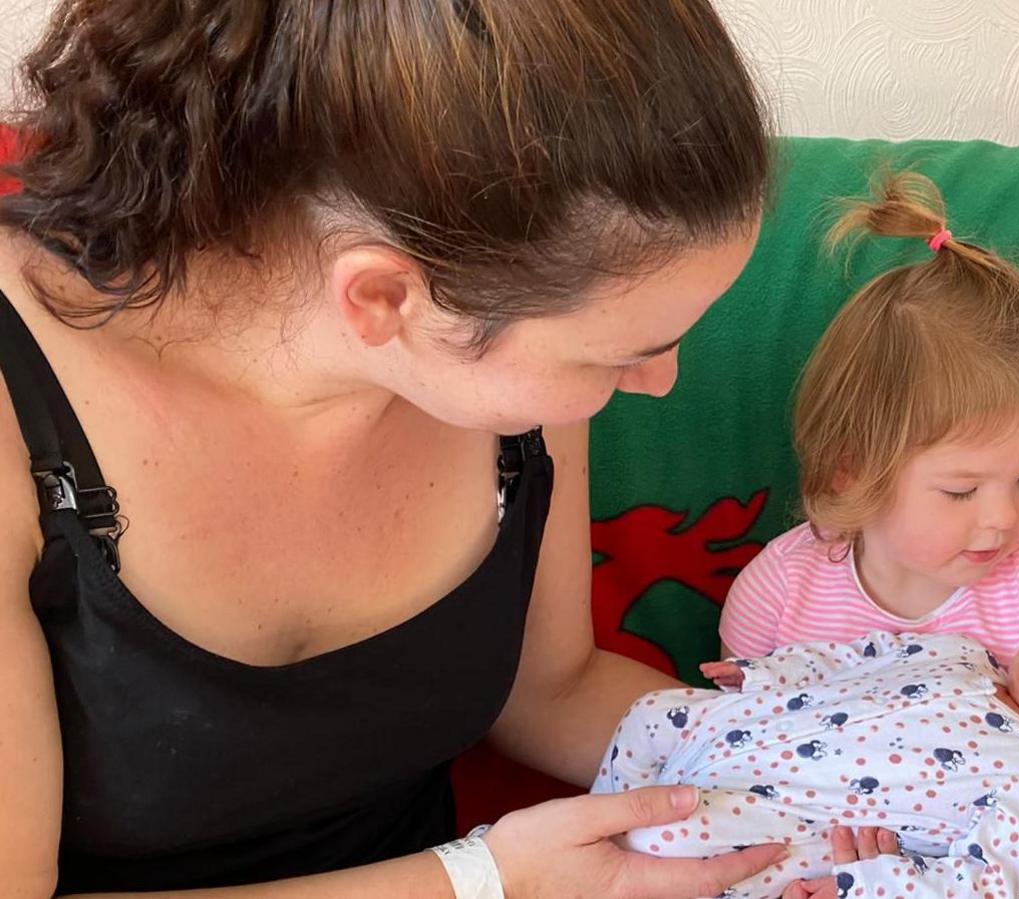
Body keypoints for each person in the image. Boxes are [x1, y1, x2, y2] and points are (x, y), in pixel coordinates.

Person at [0, 2, 801, 896]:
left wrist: (825, 758)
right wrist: (484, 882)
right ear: (383, 296)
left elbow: (553, 690)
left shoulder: (504, 381)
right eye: (619, 354)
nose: (659, 382)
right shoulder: (16, 414)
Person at [719, 171, 1019, 667]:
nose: (1006, 518)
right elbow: (724, 727)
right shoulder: (782, 590)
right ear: (851, 468)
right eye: (961, 490)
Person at [594, 625, 1019, 899]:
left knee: (661, 835)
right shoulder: (967, 653)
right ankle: (585, 837)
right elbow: (861, 656)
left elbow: (981, 886)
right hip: (748, 729)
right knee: (651, 712)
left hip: (779, 820)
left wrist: (868, 888)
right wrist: (768, 672)